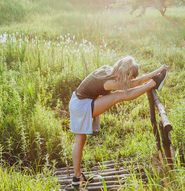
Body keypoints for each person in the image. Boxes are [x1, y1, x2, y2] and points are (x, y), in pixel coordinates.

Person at [69, 56, 169, 186]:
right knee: (119, 95)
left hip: (77, 101)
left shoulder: (107, 69)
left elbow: (136, 82)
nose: (130, 80)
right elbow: (135, 84)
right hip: (81, 105)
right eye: (129, 76)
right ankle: (154, 83)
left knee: (80, 140)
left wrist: (158, 70)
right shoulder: (109, 82)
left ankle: (77, 177)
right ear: (125, 72)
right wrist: (156, 75)